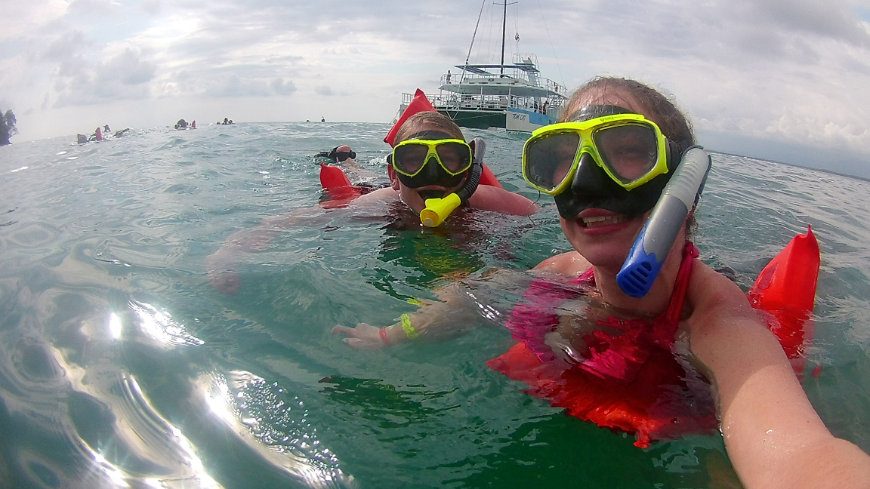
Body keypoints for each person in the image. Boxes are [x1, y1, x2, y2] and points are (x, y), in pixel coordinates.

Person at [334, 77, 870, 487]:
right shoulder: (561, 272)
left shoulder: (720, 325)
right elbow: (483, 292)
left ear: (686, 178)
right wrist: (392, 336)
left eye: (628, 151)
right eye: (560, 161)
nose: (586, 182)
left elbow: (800, 456)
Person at [206, 110, 538, 295]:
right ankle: (348, 160)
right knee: (360, 180)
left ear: (469, 170)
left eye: (450, 159)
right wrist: (228, 252)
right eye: (414, 161)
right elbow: (291, 221)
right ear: (395, 174)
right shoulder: (384, 203)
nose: (432, 175)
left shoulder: (490, 204)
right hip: (373, 189)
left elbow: (551, 222)